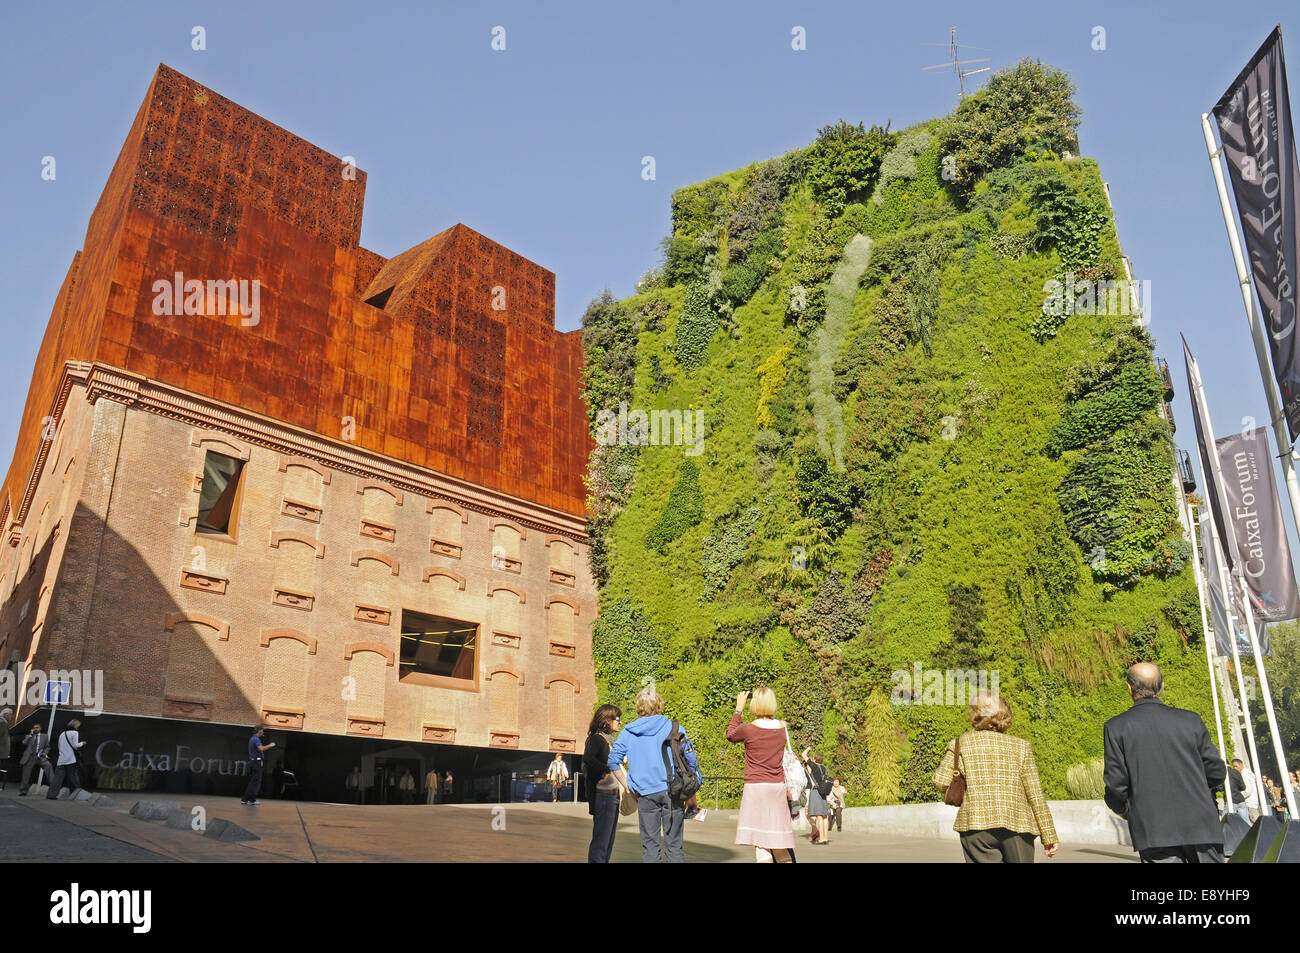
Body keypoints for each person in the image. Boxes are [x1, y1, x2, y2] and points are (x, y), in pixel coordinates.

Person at [1103, 662, 1225, 863]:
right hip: (1202, 824)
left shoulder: (1116, 727)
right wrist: (1202, 794)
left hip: (1153, 828)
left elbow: (1116, 783)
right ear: (1162, 686)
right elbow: (1216, 771)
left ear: (1129, 688)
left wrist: (1124, 809)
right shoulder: (1191, 720)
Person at [933, 693, 1058, 863]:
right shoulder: (1021, 747)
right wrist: (1049, 836)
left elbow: (940, 781)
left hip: (975, 828)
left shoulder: (960, 744)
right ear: (1005, 716)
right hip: (1017, 826)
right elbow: (1035, 795)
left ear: (976, 714)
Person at [608, 685, 702, 863]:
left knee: (650, 847)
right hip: (672, 791)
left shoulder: (629, 732)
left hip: (645, 795)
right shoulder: (674, 727)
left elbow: (613, 760)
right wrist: (692, 794)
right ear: (659, 705)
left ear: (638, 707)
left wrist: (628, 785)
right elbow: (691, 760)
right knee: (674, 847)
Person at [726, 688, 796, 863]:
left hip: (756, 789)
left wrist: (738, 709)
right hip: (777, 788)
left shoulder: (748, 729)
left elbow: (730, 735)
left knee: (761, 844)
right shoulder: (783, 727)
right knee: (779, 845)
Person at [583, 704, 623, 863]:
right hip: (604, 795)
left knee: (608, 841)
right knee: (601, 841)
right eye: (617, 719)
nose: (620, 722)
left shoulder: (608, 741)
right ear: (607, 720)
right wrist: (606, 769)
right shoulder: (597, 739)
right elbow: (588, 758)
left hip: (612, 795)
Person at [47, 719, 87, 800]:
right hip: (70, 759)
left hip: (61, 759)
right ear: (75, 725)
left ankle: (51, 795)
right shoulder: (75, 733)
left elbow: (59, 746)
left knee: (57, 779)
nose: (78, 727)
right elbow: (75, 745)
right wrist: (82, 743)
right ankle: (76, 794)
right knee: (72, 777)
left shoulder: (62, 734)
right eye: (78, 725)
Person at [802, 748, 831, 845]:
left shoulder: (813, 766)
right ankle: (825, 837)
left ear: (814, 759)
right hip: (823, 792)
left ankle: (822, 838)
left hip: (816, 791)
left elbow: (803, 754)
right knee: (824, 816)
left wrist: (808, 749)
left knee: (819, 816)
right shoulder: (823, 768)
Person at [242, 726, 275, 805]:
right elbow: (261, 748)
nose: (263, 732)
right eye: (262, 730)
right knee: (256, 782)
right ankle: (252, 800)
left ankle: (245, 799)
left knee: (253, 781)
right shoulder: (256, 739)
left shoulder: (252, 738)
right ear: (259, 731)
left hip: (253, 762)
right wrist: (270, 745)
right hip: (257, 762)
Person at [19, 725, 52, 795]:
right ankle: (23, 791)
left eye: (37, 727)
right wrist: (30, 735)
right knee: (26, 774)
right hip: (30, 757)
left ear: (40, 728)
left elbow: (48, 747)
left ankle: (53, 788)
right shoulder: (29, 736)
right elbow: (24, 743)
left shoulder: (45, 736)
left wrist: (45, 752)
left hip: (40, 757)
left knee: (49, 766)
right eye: (34, 728)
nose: (35, 729)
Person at [1237, 758, 1260, 822]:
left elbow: (1248, 789)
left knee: (1255, 821)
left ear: (1241, 764)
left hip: (1249, 801)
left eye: (1236, 766)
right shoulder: (1249, 773)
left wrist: (1241, 796)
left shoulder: (1244, 774)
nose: (1235, 768)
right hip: (1254, 800)